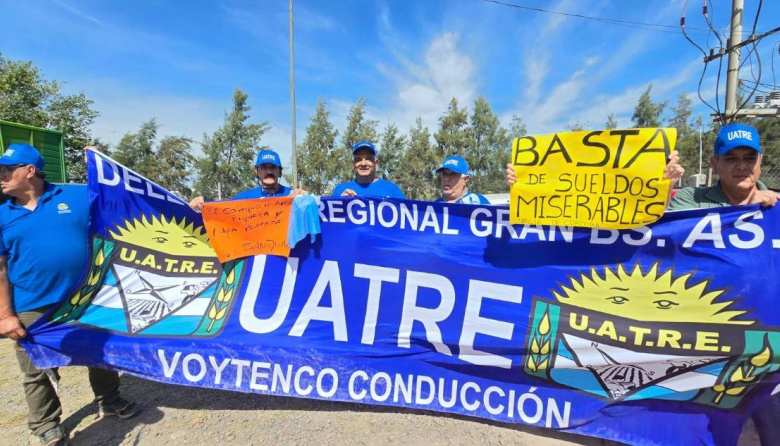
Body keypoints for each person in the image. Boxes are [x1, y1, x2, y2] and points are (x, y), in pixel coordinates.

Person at [0, 144, 139, 446]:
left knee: (99, 354)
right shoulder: (2, 215)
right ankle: (46, 425)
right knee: (37, 367)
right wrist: (6, 315)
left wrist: (102, 162)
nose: (2, 176)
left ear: (30, 171)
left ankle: (110, 400)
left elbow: (118, 198)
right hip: (31, 306)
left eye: (8, 170)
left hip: (85, 298)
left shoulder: (73, 196)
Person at [669, 123, 778, 209]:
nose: (742, 166)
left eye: (750, 159)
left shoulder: (777, 204)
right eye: (731, 159)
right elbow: (670, 232)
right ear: (715, 164)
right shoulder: (692, 198)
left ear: (760, 162)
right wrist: (747, 210)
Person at [189, 149, 307, 212]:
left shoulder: (294, 196)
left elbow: (318, 217)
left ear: (279, 171)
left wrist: (308, 200)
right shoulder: (244, 198)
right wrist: (198, 208)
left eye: (273, 167)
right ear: (256, 171)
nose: (269, 172)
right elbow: (220, 214)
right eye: (264, 167)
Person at [332, 141, 405, 198]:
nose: (363, 163)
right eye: (358, 159)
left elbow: (409, 214)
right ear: (353, 165)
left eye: (368, 159)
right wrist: (340, 203)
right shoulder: (340, 191)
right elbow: (329, 216)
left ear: (376, 164)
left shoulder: (392, 190)